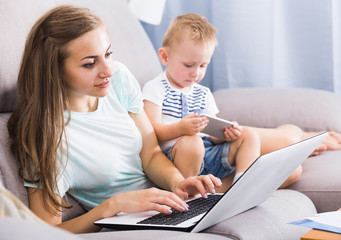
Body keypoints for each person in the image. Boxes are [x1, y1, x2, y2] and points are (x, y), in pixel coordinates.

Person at [7, 5, 221, 233]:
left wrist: (178, 183)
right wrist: (112, 206)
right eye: (90, 63)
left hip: (168, 204)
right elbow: (46, 231)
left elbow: (150, 154)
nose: (107, 70)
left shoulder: (118, 79)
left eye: (108, 54)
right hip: (130, 226)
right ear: (54, 70)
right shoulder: (49, 138)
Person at [143, 13, 341, 191]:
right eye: (189, 65)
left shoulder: (202, 93)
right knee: (192, 142)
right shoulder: (156, 88)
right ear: (164, 57)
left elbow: (210, 134)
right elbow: (152, 133)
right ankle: (196, 189)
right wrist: (181, 128)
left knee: (248, 135)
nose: (196, 73)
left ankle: (242, 184)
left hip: (208, 154)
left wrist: (223, 134)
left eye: (203, 65)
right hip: (179, 157)